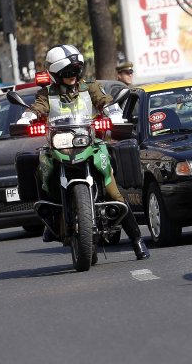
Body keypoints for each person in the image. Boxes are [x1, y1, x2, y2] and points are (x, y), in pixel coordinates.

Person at [19, 44, 150, 260]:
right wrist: (28, 117)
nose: (72, 76)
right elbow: (38, 107)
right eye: (66, 73)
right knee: (42, 169)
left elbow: (104, 101)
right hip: (58, 145)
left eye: (75, 71)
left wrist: (114, 113)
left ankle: (137, 240)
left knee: (114, 192)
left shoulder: (91, 87)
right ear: (55, 74)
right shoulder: (46, 93)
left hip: (90, 142)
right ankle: (51, 219)